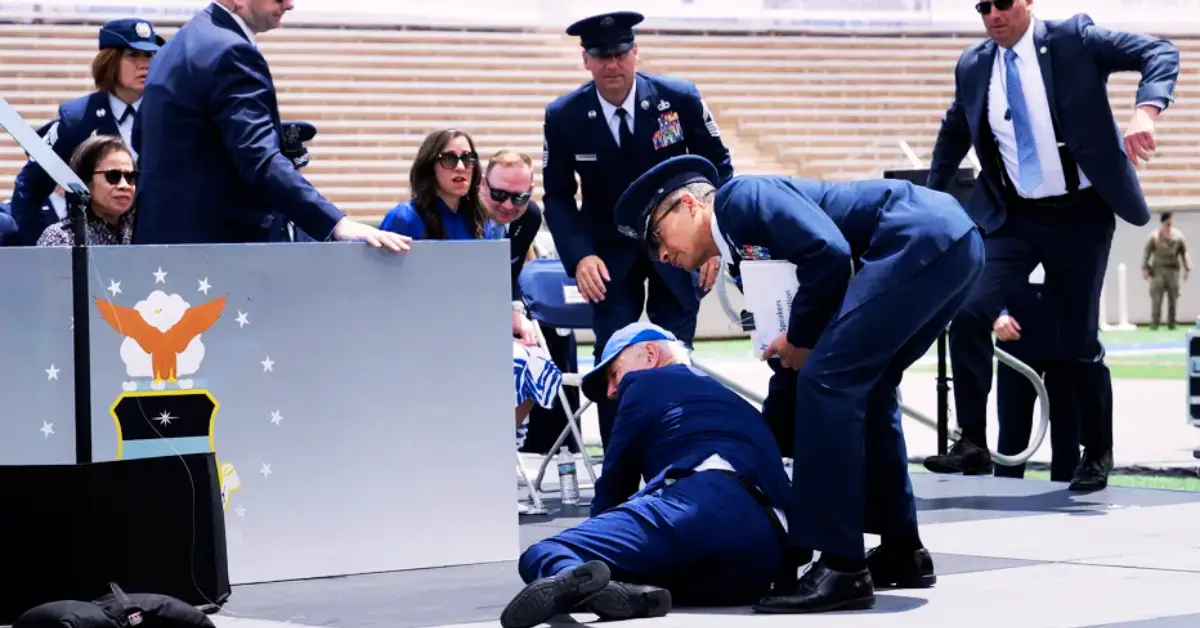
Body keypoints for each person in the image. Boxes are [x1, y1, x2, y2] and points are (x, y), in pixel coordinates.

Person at [611, 154, 984, 613]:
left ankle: (842, 568)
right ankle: (902, 550)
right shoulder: (740, 253)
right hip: (948, 241)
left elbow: (827, 253)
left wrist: (802, 340)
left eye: (655, 237)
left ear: (688, 205)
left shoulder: (740, 200)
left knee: (828, 384)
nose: (661, 255)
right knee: (868, 385)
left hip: (916, 238)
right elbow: (793, 337)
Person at [920, 1, 1179, 491]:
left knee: (1078, 341)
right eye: (982, 7)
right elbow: (954, 130)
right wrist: (931, 203)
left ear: (1028, 2)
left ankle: (1097, 451)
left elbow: (1159, 52)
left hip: (1081, 214)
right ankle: (972, 441)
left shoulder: (1074, 40)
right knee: (971, 313)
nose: (992, 15)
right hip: (1014, 215)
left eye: (1002, 3)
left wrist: (1146, 113)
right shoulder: (974, 65)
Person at [500, 322, 790, 628]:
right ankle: (624, 594)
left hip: (704, 502)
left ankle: (577, 578)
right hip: (768, 549)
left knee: (546, 552)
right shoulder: (735, 402)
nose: (612, 392)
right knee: (650, 571)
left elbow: (614, 484)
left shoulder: (646, 382)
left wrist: (596, 539)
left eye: (613, 374)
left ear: (650, 354)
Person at [541, 10, 733, 446]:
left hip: (681, 248)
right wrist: (580, 255)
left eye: (621, 52)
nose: (613, 64)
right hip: (608, 257)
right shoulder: (564, 115)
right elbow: (555, 195)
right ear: (585, 60)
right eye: (601, 55)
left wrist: (714, 242)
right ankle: (620, 466)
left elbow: (719, 168)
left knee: (675, 357)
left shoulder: (677, 99)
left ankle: (680, 454)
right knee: (614, 360)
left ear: (635, 52)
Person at [131, 0, 407, 251]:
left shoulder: (176, 46)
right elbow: (258, 159)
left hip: (163, 242)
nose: (289, 4)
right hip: (218, 251)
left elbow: (138, 136)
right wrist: (335, 223)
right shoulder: (231, 51)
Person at [9, 17, 163, 246]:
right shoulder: (78, 118)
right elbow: (30, 186)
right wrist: (37, 248)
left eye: (149, 56)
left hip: (154, 248)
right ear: (109, 61)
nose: (144, 64)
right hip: (90, 250)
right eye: (132, 55)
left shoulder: (168, 116)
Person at [992, 279, 1082, 482]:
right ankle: (1004, 498)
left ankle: (1064, 496)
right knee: (1011, 434)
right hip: (1015, 338)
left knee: (1068, 434)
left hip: (1066, 338)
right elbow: (993, 272)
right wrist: (998, 312)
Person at [36, 135, 138, 247]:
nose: (124, 185)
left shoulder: (140, 234)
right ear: (85, 181)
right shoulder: (62, 238)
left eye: (130, 177)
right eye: (113, 176)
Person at [1143, 212, 1190, 330]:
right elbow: (1147, 253)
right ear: (1163, 221)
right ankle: (1155, 323)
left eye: (1171, 220)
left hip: (1173, 270)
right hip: (1158, 270)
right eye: (1167, 220)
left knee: (1173, 297)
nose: (1170, 222)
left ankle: (1172, 323)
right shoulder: (1154, 236)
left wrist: (1187, 268)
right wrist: (1145, 268)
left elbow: (1184, 253)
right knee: (1156, 298)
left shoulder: (1178, 236)